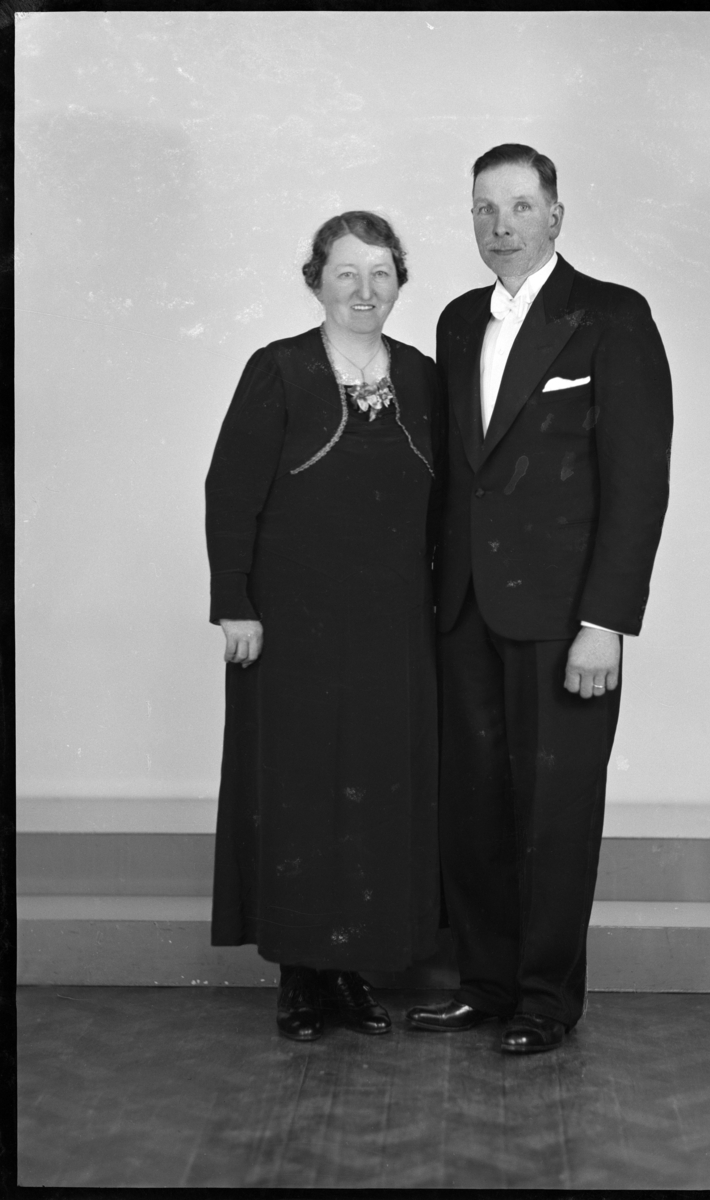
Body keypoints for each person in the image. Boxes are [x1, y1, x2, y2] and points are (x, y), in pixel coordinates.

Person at [407, 144, 673, 1053]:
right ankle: (484, 985)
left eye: (520, 206)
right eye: (484, 209)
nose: (501, 226)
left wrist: (606, 622)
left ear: (555, 215)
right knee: (473, 807)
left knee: (556, 814)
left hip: (566, 619)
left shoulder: (612, 315)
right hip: (464, 610)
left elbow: (638, 484)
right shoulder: (455, 321)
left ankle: (546, 1002)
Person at [205, 212, 442, 1042]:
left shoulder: (424, 378)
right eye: (347, 273)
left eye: (380, 273)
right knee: (301, 796)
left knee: (377, 796)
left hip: (394, 634)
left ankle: (349, 972)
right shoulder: (278, 370)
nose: (364, 291)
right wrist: (233, 603)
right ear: (317, 281)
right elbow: (230, 491)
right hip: (293, 632)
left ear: (399, 281)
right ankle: (301, 978)